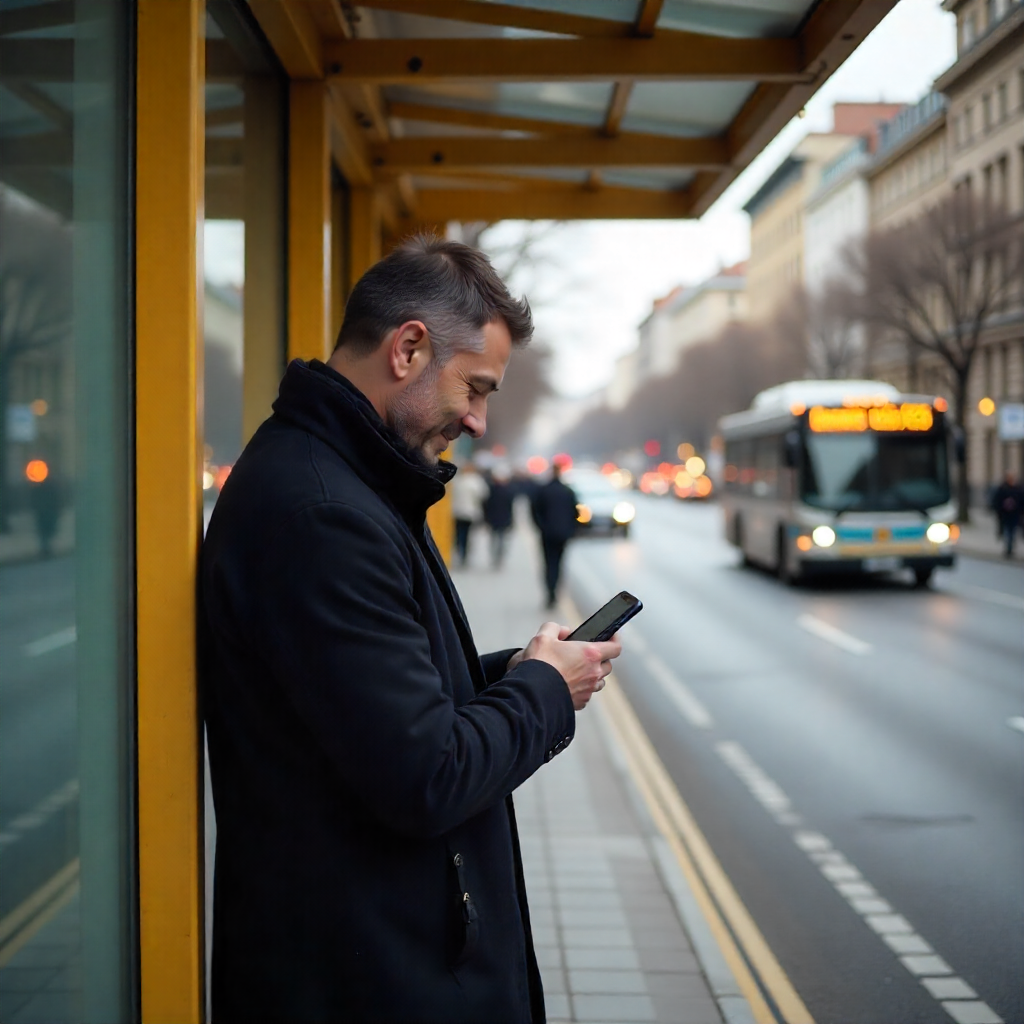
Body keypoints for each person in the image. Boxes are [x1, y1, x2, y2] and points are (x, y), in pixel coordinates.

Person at [200, 235, 621, 1024]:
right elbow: (427, 775)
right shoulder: (325, 513)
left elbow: (375, 708)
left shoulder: (349, 478)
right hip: (365, 978)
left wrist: (520, 671)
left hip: (369, 957)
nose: (480, 420)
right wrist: (543, 694)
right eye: (476, 387)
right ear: (410, 348)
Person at [531, 463, 580, 609]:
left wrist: (541, 526)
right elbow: (576, 512)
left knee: (548, 563)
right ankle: (555, 591)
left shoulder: (543, 490)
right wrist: (571, 528)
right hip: (563, 533)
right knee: (559, 563)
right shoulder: (568, 491)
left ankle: (550, 591)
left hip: (547, 533)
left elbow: (534, 511)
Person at [450, 460, 489, 567]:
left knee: (459, 533)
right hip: (471, 512)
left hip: (457, 511)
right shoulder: (477, 481)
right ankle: (464, 552)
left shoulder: (457, 480)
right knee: (467, 534)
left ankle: (461, 550)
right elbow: (483, 495)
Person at [483, 465, 516, 568]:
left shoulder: (491, 490)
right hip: (504, 518)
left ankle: (495, 557)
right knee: (500, 539)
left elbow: (486, 505)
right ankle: (498, 557)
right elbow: (510, 507)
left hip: (494, 518)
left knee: (494, 538)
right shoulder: (508, 491)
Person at [990, 470, 1024, 558]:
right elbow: (997, 501)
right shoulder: (1003, 488)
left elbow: (1021, 501)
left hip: (1014, 515)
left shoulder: (1018, 489)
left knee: (1012, 532)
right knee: (1007, 532)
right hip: (1005, 516)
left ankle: (1010, 547)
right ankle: (1008, 548)